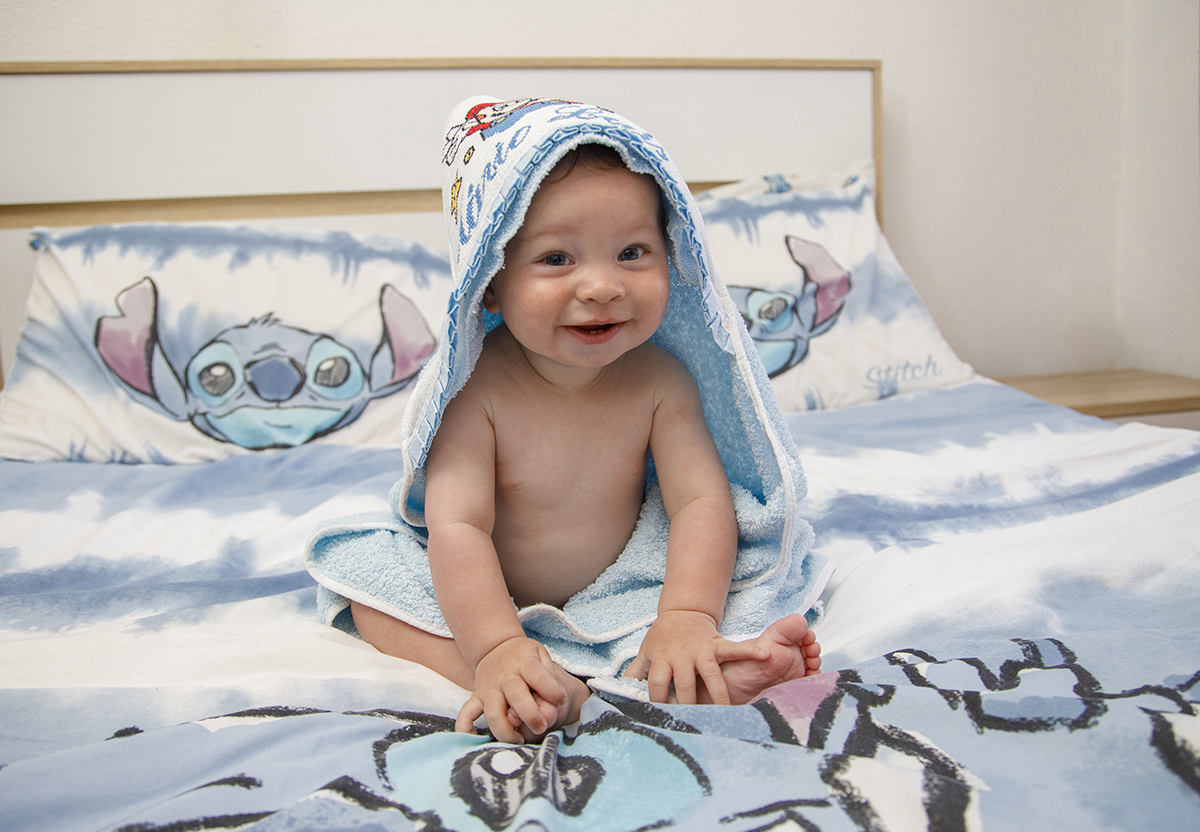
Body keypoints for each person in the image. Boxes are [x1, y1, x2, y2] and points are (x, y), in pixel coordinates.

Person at [349, 142, 821, 744]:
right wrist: (496, 645)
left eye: (631, 252)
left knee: (697, 603)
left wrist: (684, 616)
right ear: (489, 285)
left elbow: (701, 502)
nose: (601, 286)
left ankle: (685, 666)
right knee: (367, 590)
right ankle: (511, 676)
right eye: (555, 258)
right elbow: (458, 528)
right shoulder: (474, 391)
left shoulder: (660, 381)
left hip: (619, 594)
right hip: (481, 595)